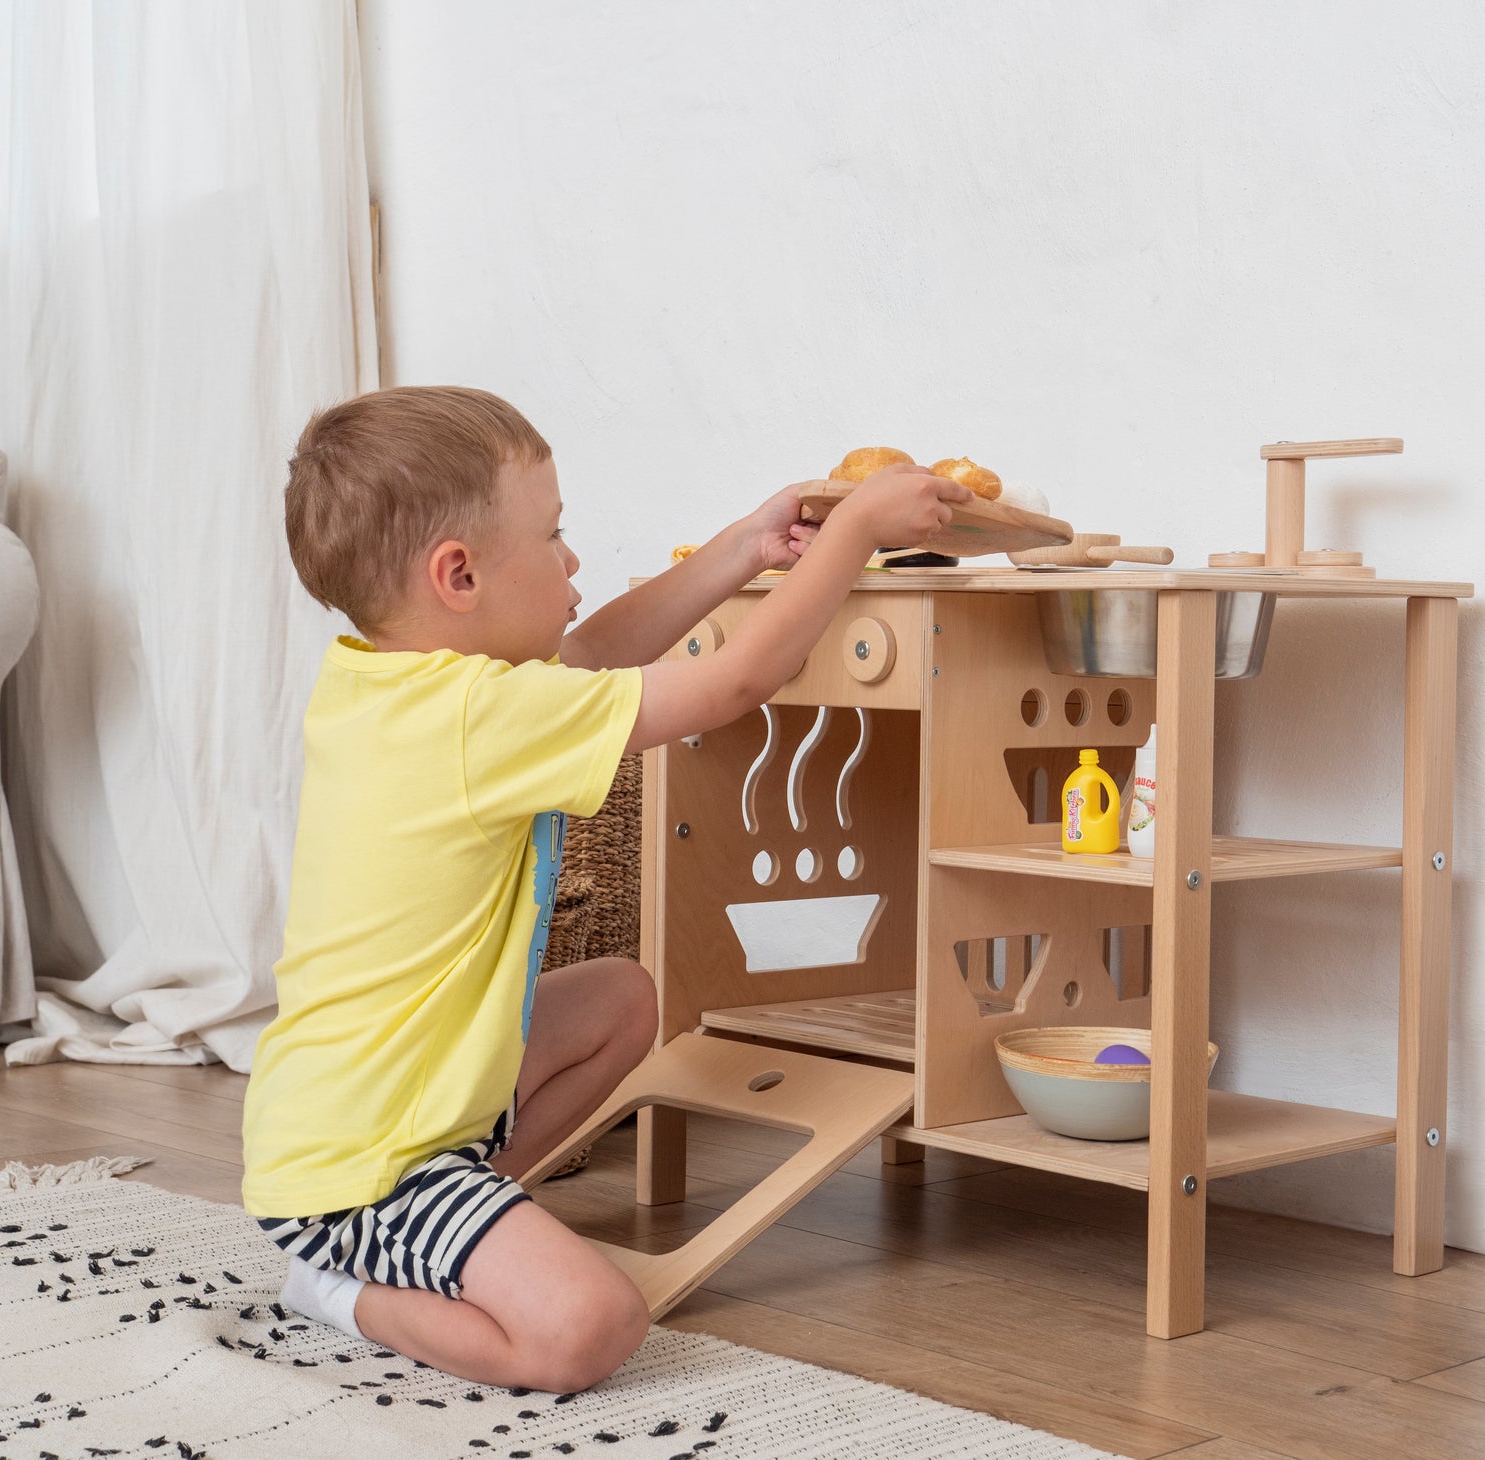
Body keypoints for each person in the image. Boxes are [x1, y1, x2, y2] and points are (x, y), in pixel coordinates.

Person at [240, 386, 968, 1392]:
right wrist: (854, 535)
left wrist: (744, 548)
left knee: (623, 996)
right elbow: (735, 683)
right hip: (366, 1164)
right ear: (457, 574)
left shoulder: (393, 680)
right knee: (588, 1328)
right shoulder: (473, 719)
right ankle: (340, 1289)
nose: (571, 557)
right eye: (553, 534)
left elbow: (590, 650)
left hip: (362, 1112)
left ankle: (470, 1222)